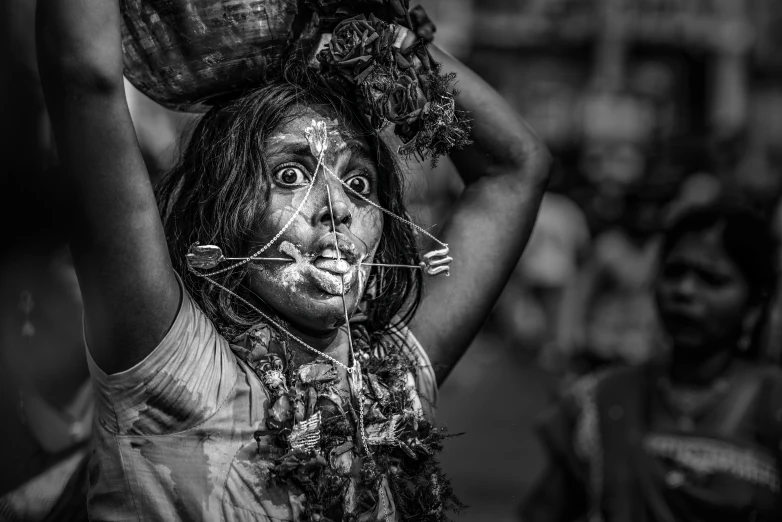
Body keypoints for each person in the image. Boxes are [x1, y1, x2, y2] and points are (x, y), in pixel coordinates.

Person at [35, 1, 551, 520]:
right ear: (222, 213)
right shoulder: (173, 372)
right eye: (290, 175)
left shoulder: (393, 382)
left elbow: (517, 168)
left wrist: (384, 42)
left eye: (357, 182)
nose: (339, 208)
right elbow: (84, 74)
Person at [521, 203, 782, 522]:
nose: (684, 290)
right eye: (674, 272)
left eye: (711, 280)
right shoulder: (601, 399)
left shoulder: (772, 402)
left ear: (755, 300)